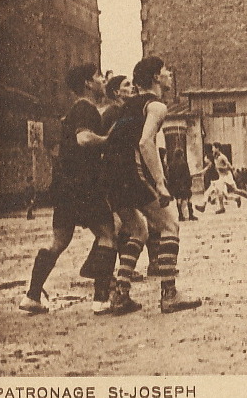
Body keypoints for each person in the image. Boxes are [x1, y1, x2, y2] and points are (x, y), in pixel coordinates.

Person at [101, 56, 202, 314]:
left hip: (110, 175)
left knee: (138, 231)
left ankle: (121, 294)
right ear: (157, 77)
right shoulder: (155, 106)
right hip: (131, 172)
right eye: (166, 70)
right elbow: (146, 143)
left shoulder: (126, 106)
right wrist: (160, 182)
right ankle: (169, 293)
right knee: (170, 223)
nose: (169, 74)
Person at [19, 64, 116, 315]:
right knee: (108, 235)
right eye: (98, 77)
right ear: (87, 83)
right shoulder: (85, 108)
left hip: (65, 188)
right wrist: (108, 140)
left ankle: (32, 296)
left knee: (58, 242)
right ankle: (101, 299)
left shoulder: (74, 110)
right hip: (85, 186)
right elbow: (83, 139)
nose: (102, 81)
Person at [167, 148, 196, 222]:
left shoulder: (171, 164)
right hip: (183, 184)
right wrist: (189, 184)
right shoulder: (183, 163)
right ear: (182, 155)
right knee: (189, 198)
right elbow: (187, 175)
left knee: (178, 200)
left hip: (176, 185)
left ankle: (180, 215)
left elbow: (170, 177)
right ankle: (190, 215)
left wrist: (170, 187)